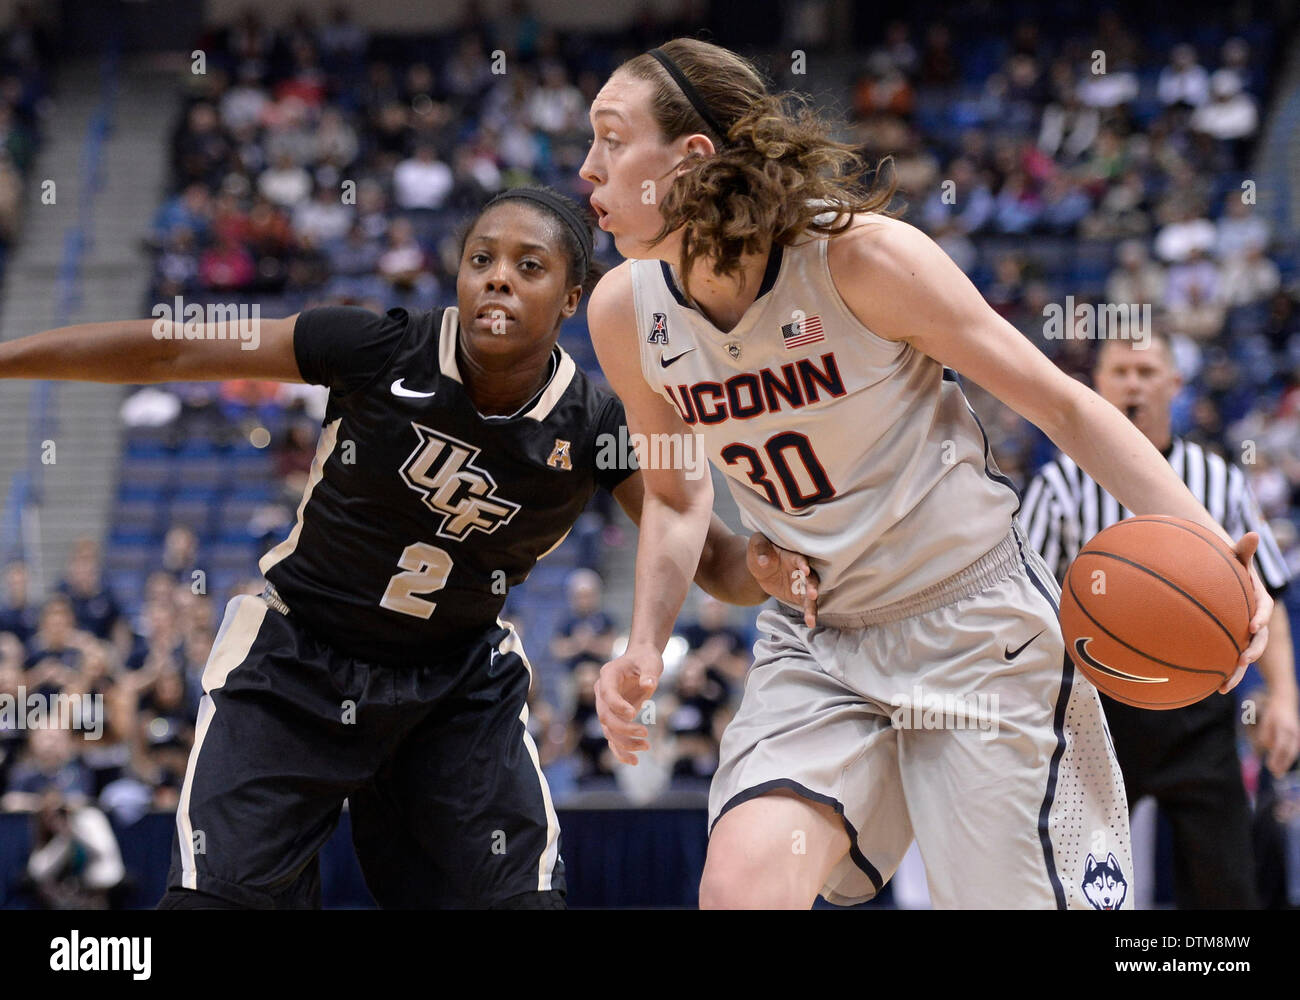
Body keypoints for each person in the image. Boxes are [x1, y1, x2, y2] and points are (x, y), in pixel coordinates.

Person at [578, 38, 1271, 910]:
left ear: (691, 158)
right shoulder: (623, 312)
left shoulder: (862, 259)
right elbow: (678, 494)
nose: (587, 166)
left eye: (611, 137)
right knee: (743, 885)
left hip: (971, 628)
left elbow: (1062, 406)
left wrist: (1210, 546)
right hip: (818, 641)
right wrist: (643, 643)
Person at [0, 185, 816, 909]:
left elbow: (711, 561)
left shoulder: (595, 428)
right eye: (481, 259)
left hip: (453, 686)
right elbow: (173, 348)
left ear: (572, 298)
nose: (497, 276)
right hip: (296, 660)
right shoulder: (376, 348)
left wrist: (776, 568)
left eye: (529, 266)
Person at [1020, 329, 1300, 907]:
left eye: (1147, 371)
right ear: (1096, 383)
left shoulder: (1219, 479)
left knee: (1226, 891)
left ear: (1175, 383)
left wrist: (1286, 699)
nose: (1132, 383)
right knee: (1077, 888)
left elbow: (1265, 593)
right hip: (1095, 711)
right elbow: (1026, 604)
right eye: (1120, 370)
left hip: (1199, 710)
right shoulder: (1060, 483)